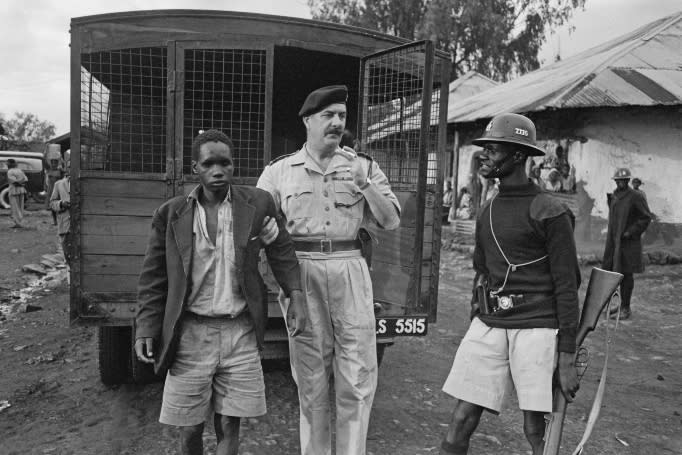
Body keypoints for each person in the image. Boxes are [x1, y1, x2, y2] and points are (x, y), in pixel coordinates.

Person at [134, 129, 307, 455]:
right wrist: (145, 326)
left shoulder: (257, 205)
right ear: (195, 168)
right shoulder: (172, 214)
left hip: (240, 333)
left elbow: (281, 250)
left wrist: (296, 294)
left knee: (230, 424)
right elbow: (154, 278)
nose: (218, 171)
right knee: (190, 430)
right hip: (190, 336)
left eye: (225, 163)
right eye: (209, 164)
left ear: (233, 166)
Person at [257, 85, 401, 455]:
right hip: (302, 275)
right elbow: (258, 227)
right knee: (311, 381)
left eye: (341, 116)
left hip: (350, 271)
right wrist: (269, 242)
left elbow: (391, 220)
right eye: (328, 116)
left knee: (357, 378)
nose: (337, 123)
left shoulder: (362, 165)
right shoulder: (278, 172)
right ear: (308, 120)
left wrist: (364, 184)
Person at [439, 113, 580, 455]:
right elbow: (482, 271)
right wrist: (477, 314)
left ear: (518, 155)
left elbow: (567, 285)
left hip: (536, 329)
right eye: (484, 148)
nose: (484, 154)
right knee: (460, 420)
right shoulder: (487, 209)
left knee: (535, 428)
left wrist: (567, 356)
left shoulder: (549, 210)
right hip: (491, 324)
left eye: (494, 148)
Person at [602, 168, 651, 320]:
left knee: (627, 274)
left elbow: (645, 217)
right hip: (614, 242)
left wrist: (631, 232)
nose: (620, 182)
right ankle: (619, 304)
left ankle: (626, 308)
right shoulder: (615, 195)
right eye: (617, 180)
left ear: (628, 181)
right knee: (615, 274)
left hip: (628, 243)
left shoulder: (635, 196)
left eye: (623, 180)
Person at [49, 163, 72, 266]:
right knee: (67, 253)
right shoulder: (59, 184)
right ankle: (69, 278)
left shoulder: (85, 183)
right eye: (70, 166)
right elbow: (52, 203)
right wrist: (61, 204)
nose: (72, 168)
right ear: (66, 169)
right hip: (65, 224)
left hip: (82, 225)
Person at [6, 158, 28, 228]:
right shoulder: (20, 170)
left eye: (7, 163)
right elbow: (26, 179)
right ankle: (19, 221)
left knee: (15, 206)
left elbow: (14, 182)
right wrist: (22, 184)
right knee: (20, 206)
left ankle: (17, 223)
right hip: (21, 190)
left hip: (14, 190)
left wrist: (19, 183)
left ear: (10, 164)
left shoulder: (10, 171)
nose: (7, 165)